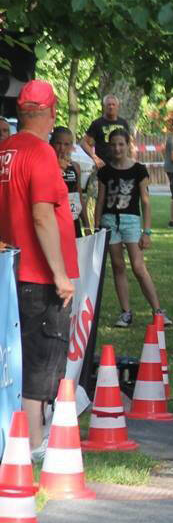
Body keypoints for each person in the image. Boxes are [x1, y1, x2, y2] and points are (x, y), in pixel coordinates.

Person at [0, 80, 78, 459]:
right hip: (37, 273)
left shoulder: (5, 150)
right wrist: (60, 275)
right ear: (50, 113)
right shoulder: (42, 154)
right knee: (40, 357)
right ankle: (32, 442)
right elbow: (42, 214)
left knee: (13, 355)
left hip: (9, 268)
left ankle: (17, 436)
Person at [95, 129, 169, 327]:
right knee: (118, 266)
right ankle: (126, 312)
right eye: (113, 145)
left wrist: (147, 231)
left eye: (121, 144)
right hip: (109, 221)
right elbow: (100, 201)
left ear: (128, 145)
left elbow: (145, 202)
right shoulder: (104, 171)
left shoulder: (138, 170)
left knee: (138, 267)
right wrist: (96, 227)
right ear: (109, 147)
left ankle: (157, 310)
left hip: (131, 221)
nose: (117, 148)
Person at [50, 127, 87, 237]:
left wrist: (87, 225)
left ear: (71, 147)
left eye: (66, 144)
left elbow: (79, 196)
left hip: (73, 219)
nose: (62, 148)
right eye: (58, 143)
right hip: (54, 220)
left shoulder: (75, 167)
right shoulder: (46, 165)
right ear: (51, 143)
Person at [80, 94, 132, 169]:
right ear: (104, 107)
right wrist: (95, 158)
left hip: (121, 166)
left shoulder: (123, 123)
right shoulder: (97, 123)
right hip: (104, 166)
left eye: (113, 104)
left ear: (118, 106)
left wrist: (131, 159)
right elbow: (83, 143)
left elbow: (129, 143)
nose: (111, 107)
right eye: (108, 105)